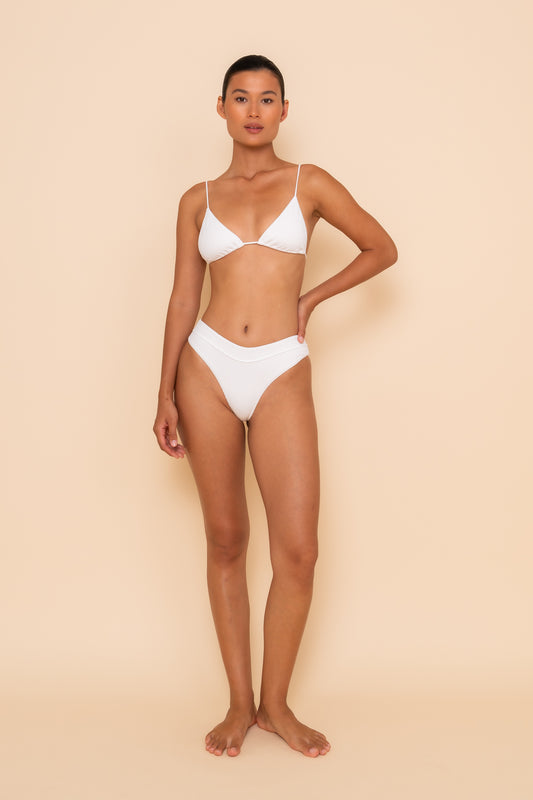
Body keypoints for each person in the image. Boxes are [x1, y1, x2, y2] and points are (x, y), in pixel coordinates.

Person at [153, 54, 397, 758]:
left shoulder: (308, 182)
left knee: (298, 549)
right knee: (226, 539)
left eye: (267, 99)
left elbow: (381, 248)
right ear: (221, 108)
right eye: (241, 97)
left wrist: (311, 298)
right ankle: (239, 705)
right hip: (205, 366)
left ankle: (276, 705)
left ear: (284, 111)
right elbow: (182, 297)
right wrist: (163, 390)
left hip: (280, 368)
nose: (254, 110)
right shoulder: (196, 200)